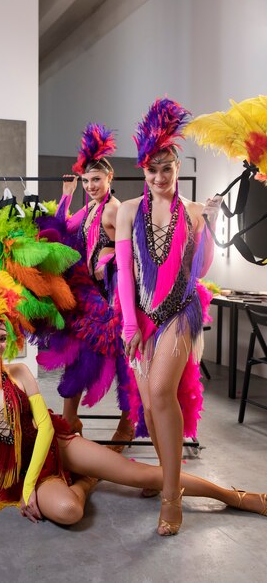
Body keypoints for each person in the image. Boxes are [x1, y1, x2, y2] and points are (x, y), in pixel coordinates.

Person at [0, 268, 267, 528]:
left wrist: (29, 489)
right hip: (12, 471)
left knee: (143, 475)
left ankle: (235, 496)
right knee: (68, 513)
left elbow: (44, 429)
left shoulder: (19, 373)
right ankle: (87, 482)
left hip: (54, 446)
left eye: (1, 337)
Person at [115, 98, 223, 535]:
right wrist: (129, 325)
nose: (160, 177)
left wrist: (210, 229)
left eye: (167, 169)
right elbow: (125, 272)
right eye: (152, 169)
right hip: (141, 317)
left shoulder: (194, 213)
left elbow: (201, 271)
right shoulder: (127, 211)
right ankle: (166, 474)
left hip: (181, 311)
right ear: (143, 170)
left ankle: (171, 497)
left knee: (162, 391)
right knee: (150, 404)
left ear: (177, 169)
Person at [37, 123, 135, 451]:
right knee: (76, 357)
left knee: (123, 362)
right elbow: (64, 225)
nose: (91, 186)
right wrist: (65, 197)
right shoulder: (91, 206)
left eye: (97, 180)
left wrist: (108, 260)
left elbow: (128, 253)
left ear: (110, 179)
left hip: (111, 299)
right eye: (86, 180)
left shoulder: (114, 209)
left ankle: (126, 423)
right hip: (88, 295)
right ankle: (70, 421)